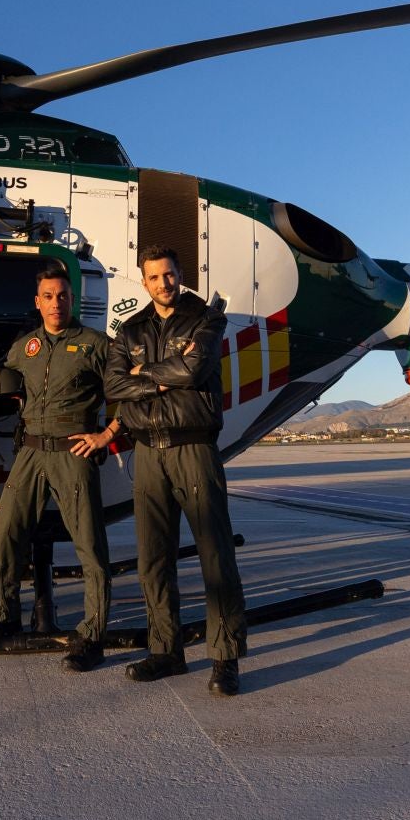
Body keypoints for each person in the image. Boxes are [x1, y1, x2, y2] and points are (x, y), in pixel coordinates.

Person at [104, 246, 248, 696]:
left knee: (215, 556)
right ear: (143, 282)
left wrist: (142, 373)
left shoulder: (205, 318)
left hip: (194, 449)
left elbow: (196, 367)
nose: (164, 283)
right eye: (154, 277)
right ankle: (165, 650)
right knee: (153, 559)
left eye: (170, 274)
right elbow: (112, 383)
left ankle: (224, 658)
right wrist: (164, 375)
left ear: (181, 274)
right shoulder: (130, 330)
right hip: (148, 453)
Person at [0, 262, 117, 672]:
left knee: (89, 544)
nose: (56, 303)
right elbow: (7, 389)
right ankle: (5, 613)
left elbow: (126, 393)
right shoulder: (24, 348)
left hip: (72, 453)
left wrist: (107, 435)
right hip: (29, 453)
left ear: (72, 300)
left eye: (63, 295)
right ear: (37, 302)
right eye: (48, 296)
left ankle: (92, 634)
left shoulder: (96, 344)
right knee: (6, 531)